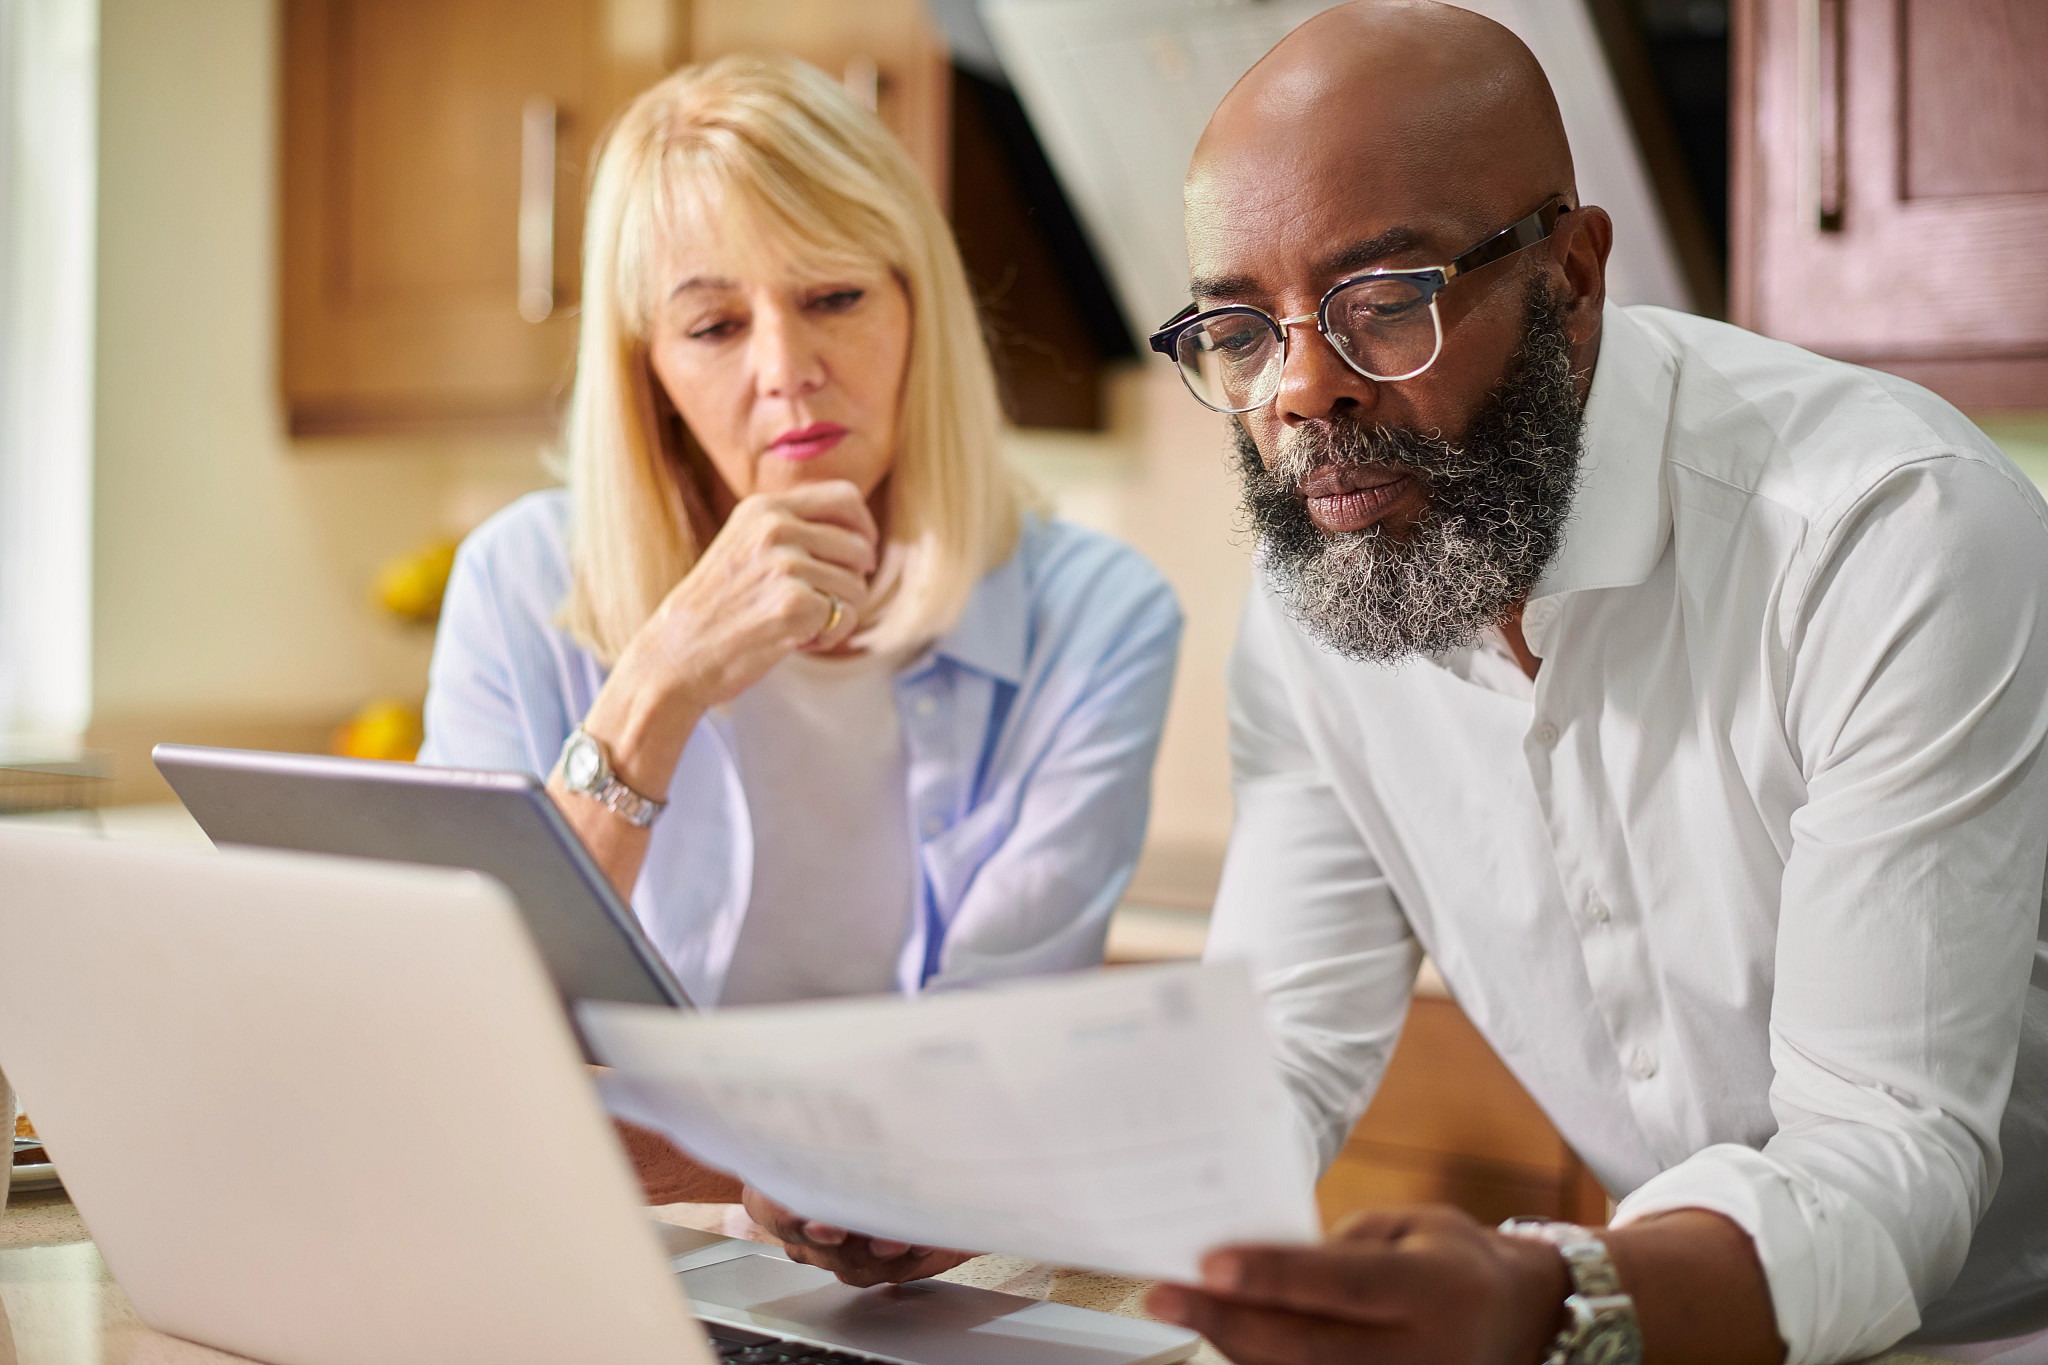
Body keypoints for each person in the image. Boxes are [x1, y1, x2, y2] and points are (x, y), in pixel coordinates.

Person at [1116, 4, 2048, 1365]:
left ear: (1571, 269)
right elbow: (1274, 1055)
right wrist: (940, 1194)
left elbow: (1884, 1148)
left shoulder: (1884, 530)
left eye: (1384, 305)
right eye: (1240, 331)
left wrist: (1555, 1301)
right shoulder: (1326, 588)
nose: (1304, 390)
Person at [419, 55, 1181, 1213]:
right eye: (714, 324)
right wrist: (658, 685)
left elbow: (984, 1075)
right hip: (595, 1250)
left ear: (914, 302)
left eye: (831, 297)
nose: (788, 373)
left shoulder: (1097, 617)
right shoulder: (518, 581)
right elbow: (455, 1030)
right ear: (648, 372)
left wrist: (758, 1171)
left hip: (914, 1254)